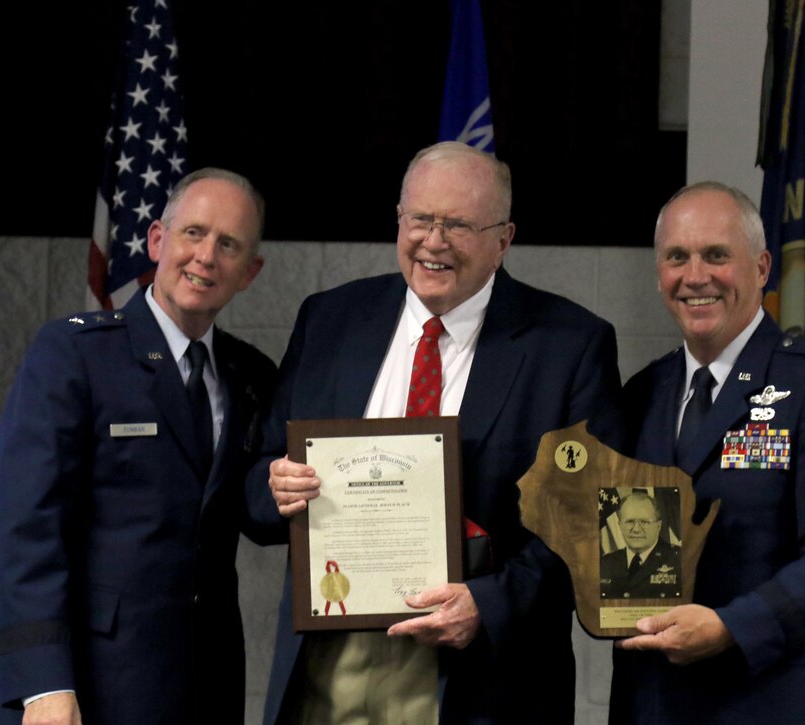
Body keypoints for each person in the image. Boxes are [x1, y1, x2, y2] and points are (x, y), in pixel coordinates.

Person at [248, 141, 624, 723]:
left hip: (481, 680)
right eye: (420, 218)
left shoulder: (569, 346)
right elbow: (257, 477)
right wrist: (273, 487)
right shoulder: (328, 320)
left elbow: (591, 525)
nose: (433, 240)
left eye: (459, 224)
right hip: (328, 667)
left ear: (503, 238)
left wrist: (490, 604)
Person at [0, 168, 278, 725]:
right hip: (85, 688)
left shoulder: (251, 376)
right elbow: (26, 528)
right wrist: (43, 684)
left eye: (229, 244)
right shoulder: (75, 354)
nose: (206, 256)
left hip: (203, 687)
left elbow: (257, 508)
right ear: (157, 241)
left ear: (250, 273)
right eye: (193, 233)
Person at [612, 181, 805, 723]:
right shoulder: (640, 395)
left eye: (717, 255)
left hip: (781, 697)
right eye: (677, 258)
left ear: (762, 268)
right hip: (659, 701)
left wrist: (733, 627)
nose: (695, 276)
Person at [600, 492, 680, 599]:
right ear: (620, 525)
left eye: (644, 522)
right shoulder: (605, 564)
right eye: (629, 522)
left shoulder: (679, 559)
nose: (636, 529)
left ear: (658, 525)